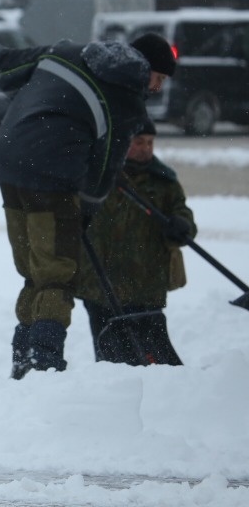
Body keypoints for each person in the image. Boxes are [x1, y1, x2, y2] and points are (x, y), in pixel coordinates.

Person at [0, 33, 176, 379]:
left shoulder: (67, 51)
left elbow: (0, 69)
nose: (157, 87)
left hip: (8, 157)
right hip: (54, 174)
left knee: (35, 269)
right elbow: (105, 168)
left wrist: (37, 106)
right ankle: (43, 363)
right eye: (159, 77)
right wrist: (86, 212)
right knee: (58, 274)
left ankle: (24, 357)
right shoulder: (127, 98)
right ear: (145, 67)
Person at [76, 120, 196, 366]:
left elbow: (182, 212)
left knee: (151, 350)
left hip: (145, 283)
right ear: (122, 143)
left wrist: (181, 225)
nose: (146, 149)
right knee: (109, 351)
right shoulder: (97, 175)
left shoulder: (163, 181)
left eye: (150, 143)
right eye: (139, 142)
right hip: (99, 283)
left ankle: (160, 381)